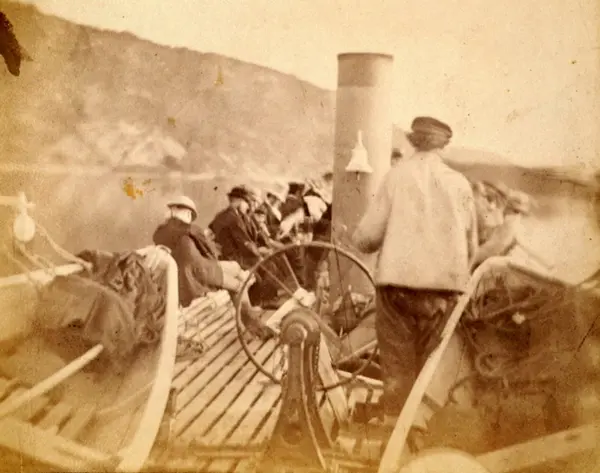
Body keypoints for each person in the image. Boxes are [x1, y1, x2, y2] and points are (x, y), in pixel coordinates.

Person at [351, 116, 478, 441]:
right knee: (431, 369)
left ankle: (393, 439)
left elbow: (367, 238)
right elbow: (473, 246)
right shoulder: (460, 184)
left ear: (413, 140)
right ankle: (421, 438)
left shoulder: (396, 176)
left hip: (397, 291)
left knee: (397, 367)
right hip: (443, 294)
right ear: (443, 145)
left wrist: (358, 237)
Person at [153, 195, 275, 340]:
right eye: (189, 214)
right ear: (187, 214)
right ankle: (255, 326)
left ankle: (249, 313)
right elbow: (208, 255)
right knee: (238, 285)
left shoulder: (161, 232)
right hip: (198, 274)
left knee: (235, 267)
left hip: (186, 273)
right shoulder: (191, 229)